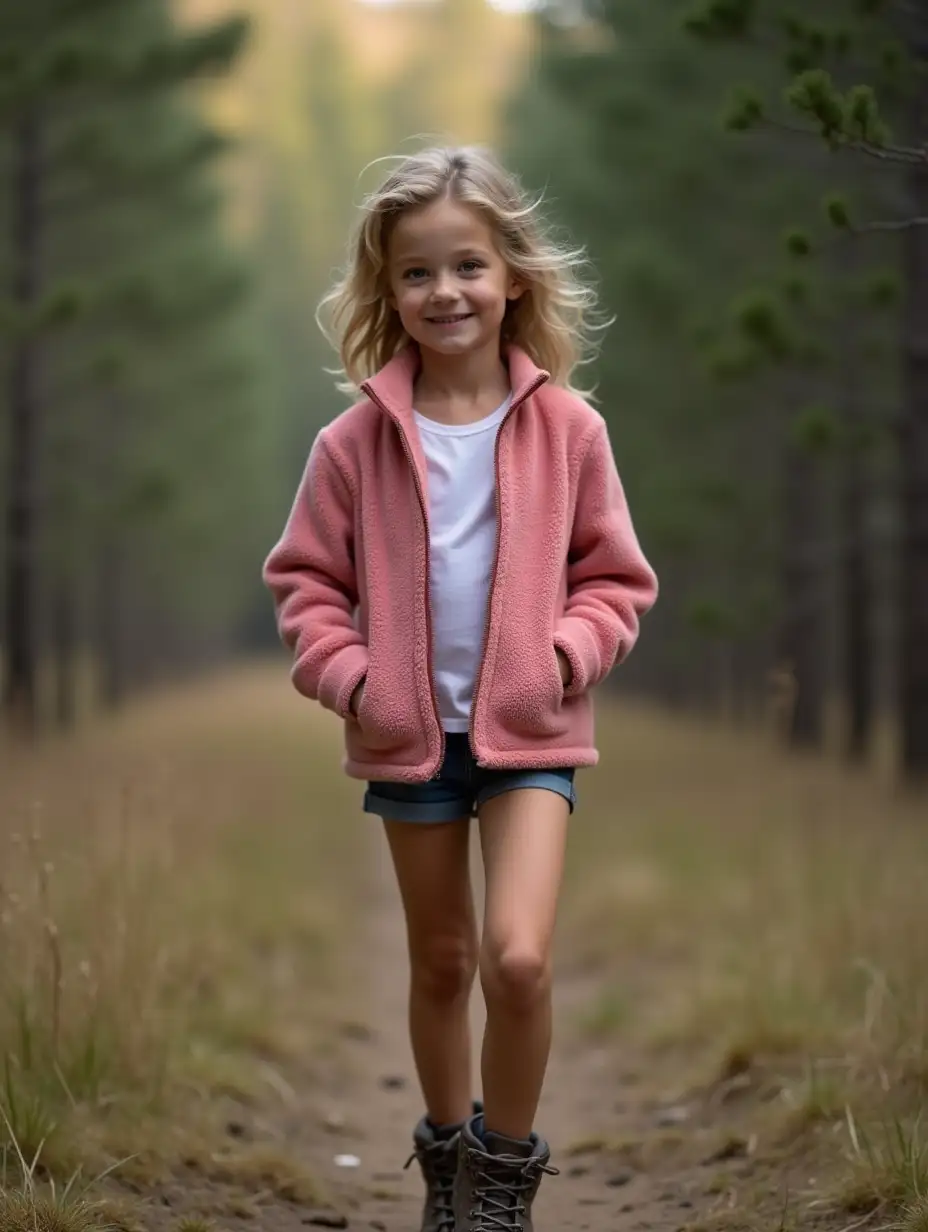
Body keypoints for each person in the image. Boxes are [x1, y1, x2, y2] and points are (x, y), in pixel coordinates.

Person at [262, 145, 658, 1232]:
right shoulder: (351, 444)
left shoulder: (570, 430)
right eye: (417, 273)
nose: (446, 291)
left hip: (530, 731)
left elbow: (615, 578)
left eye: (468, 265)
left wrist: (565, 656)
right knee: (440, 959)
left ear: (513, 276)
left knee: (517, 957)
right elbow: (304, 583)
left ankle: (500, 1183)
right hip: (411, 737)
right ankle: (444, 1163)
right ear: (387, 292)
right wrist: (355, 680)